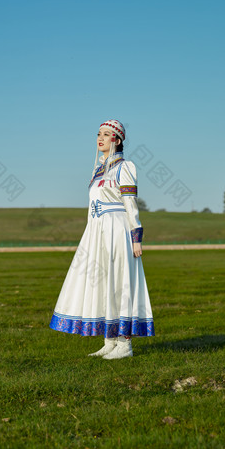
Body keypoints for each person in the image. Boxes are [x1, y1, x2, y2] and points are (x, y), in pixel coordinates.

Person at [49, 119, 154, 359]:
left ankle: (125, 345)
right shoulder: (97, 171)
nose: (101, 138)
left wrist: (136, 236)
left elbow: (130, 203)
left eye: (106, 134)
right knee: (101, 282)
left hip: (118, 230)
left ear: (117, 140)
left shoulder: (125, 167)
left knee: (120, 282)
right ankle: (110, 341)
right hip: (97, 231)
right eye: (99, 134)